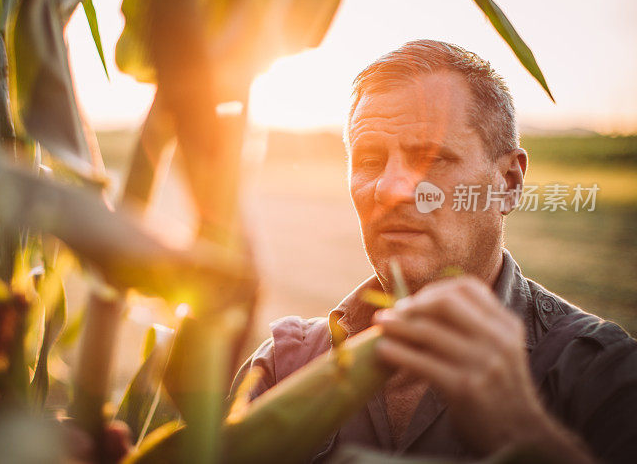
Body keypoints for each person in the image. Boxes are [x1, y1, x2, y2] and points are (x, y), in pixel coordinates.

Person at [230, 40, 637, 463]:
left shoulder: (601, 375)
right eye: (370, 159)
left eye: (430, 157)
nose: (389, 189)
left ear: (509, 183)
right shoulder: (285, 365)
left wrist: (522, 434)